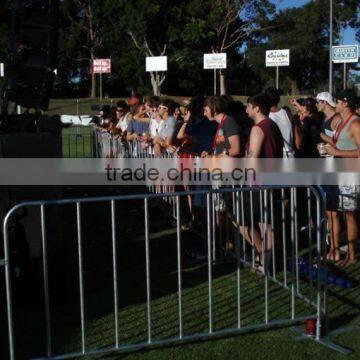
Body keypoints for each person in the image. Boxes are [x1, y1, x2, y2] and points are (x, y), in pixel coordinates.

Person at [323, 90, 360, 267]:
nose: (335, 104)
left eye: (337, 101)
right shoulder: (342, 122)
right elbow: (340, 145)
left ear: (345, 103)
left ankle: (352, 255)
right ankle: (349, 253)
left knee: (350, 215)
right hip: (341, 174)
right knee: (345, 213)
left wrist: (337, 152)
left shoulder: (355, 123)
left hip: (351, 175)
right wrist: (329, 148)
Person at [314, 92, 342, 261]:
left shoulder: (336, 119)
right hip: (325, 164)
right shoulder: (324, 119)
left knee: (333, 211)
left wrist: (320, 136)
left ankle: (336, 249)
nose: (316, 104)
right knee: (329, 210)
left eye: (318, 101)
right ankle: (332, 246)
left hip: (334, 167)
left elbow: (339, 144)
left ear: (325, 102)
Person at [266, 87, 296, 158]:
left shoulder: (266, 116)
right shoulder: (287, 113)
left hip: (276, 156)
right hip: (290, 155)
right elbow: (298, 142)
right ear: (278, 99)